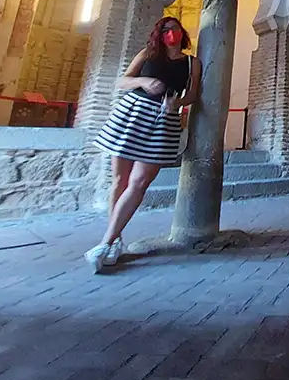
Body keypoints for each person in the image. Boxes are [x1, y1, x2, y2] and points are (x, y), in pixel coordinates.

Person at [84, 16, 201, 273]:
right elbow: (124, 81)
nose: (171, 33)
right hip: (133, 114)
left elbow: (192, 93)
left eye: (175, 28)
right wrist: (143, 82)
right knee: (120, 180)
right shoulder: (148, 54)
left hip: (163, 120)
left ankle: (105, 244)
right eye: (165, 30)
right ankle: (114, 240)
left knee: (139, 182)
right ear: (159, 34)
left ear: (182, 32)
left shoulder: (192, 63)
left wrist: (179, 103)